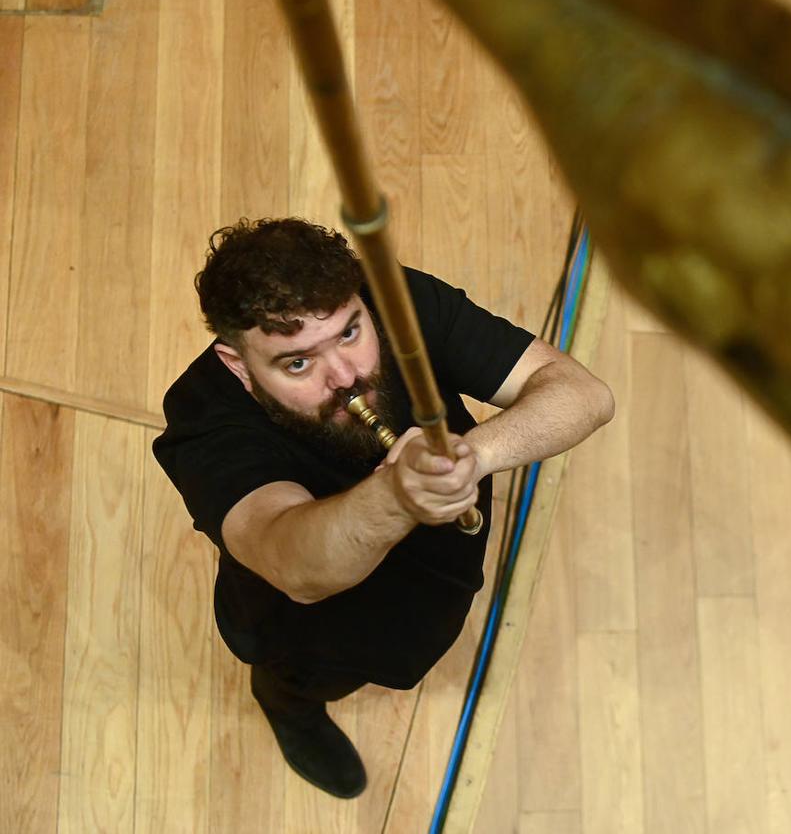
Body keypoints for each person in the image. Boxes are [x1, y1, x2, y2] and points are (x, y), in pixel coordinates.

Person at [153, 217, 614, 799]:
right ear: (239, 365)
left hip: (439, 568)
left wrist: (471, 455)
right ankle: (289, 709)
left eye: (350, 333)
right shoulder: (202, 414)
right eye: (297, 363)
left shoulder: (393, 300)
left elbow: (584, 394)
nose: (346, 377)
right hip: (315, 625)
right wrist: (397, 494)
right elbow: (295, 565)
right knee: (301, 678)